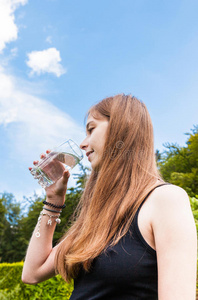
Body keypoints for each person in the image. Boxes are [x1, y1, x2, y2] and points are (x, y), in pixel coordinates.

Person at [22, 94, 197, 299]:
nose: (82, 144)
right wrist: (53, 201)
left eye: (91, 129)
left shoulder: (166, 200)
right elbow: (32, 273)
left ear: (121, 126)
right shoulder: (96, 219)